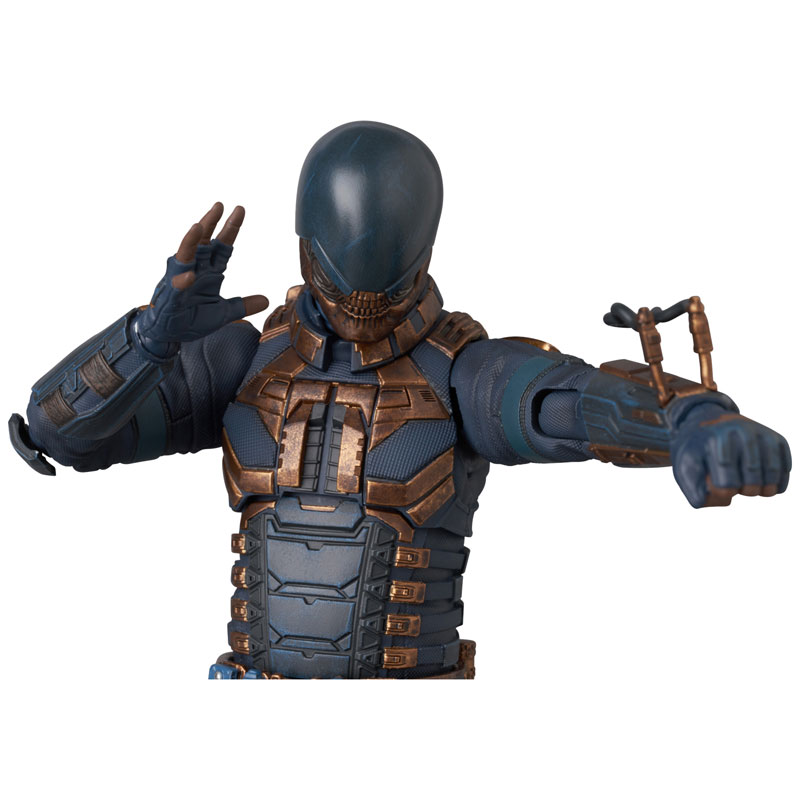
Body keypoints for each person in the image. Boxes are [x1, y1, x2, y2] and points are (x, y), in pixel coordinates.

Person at [10, 121, 791, 679]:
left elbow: (571, 402)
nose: (362, 297)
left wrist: (692, 419)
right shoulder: (245, 362)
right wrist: (146, 340)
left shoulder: (461, 372)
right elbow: (58, 434)